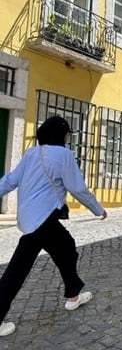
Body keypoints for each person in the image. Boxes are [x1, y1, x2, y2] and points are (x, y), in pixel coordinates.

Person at [0, 116, 107, 337]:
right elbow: (77, 188)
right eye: (67, 134)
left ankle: (73, 295)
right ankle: (72, 295)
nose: (68, 138)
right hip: (44, 219)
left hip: (31, 218)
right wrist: (98, 209)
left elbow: (10, 180)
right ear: (61, 135)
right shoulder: (64, 155)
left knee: (66, 249)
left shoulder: (31, 153)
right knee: (18, 269)